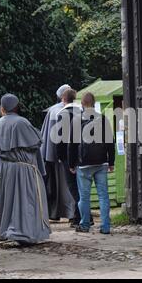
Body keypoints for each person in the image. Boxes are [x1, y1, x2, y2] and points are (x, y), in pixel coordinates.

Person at [0, 94, 50, 245]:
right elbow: (36, 142)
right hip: (23, 169)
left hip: (8, 169)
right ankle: (24, 232)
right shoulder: (21, 122)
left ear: (3, 107)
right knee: (26, 199)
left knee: (11, 199)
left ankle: (8, 229)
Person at [68, 92, 115, 234]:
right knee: (103, 195)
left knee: (84, 197)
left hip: (84, 164)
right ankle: (105, 226)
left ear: (81, 104)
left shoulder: (77, 121)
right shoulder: (102, 119)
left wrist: (71, 164)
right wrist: (111, 161)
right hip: (101, 163)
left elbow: (72, 145)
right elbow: (110, 142)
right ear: (94, 104)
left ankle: (85, 225)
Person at [55, 88, 94, 228]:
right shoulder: (81, 112)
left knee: (73, 188)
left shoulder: (62, 114)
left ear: (63, 100)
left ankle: (86, 216)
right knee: (81, 188)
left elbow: (59, 138)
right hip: (82, 154)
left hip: (67, 155)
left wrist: (59, 156)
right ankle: (79, 217)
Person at [40, 84, 74, 221]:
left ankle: (54, 213)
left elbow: (46, 135)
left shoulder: (53, 111)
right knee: (69, 185)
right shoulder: (77, 109)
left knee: (54, 185)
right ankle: (72, 213)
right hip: (71, 155)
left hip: (54, 154)